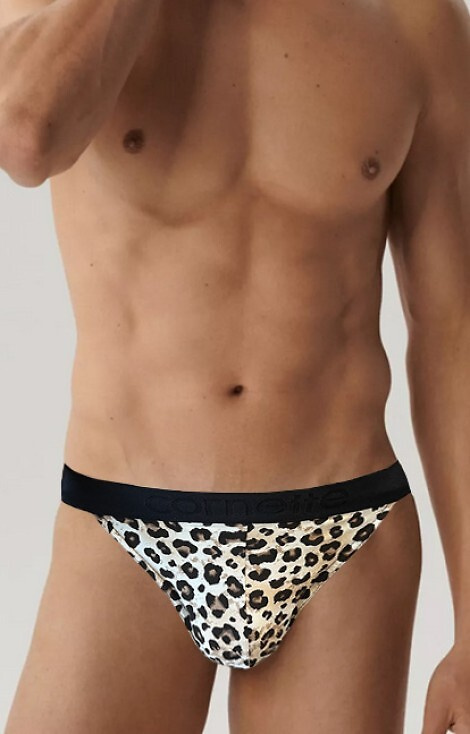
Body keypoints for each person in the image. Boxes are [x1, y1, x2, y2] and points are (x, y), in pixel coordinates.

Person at [1, 0, 469, 732]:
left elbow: (451, 327)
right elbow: (25, 137)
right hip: (126, 524)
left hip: (343, 527)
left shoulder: (413, 17)